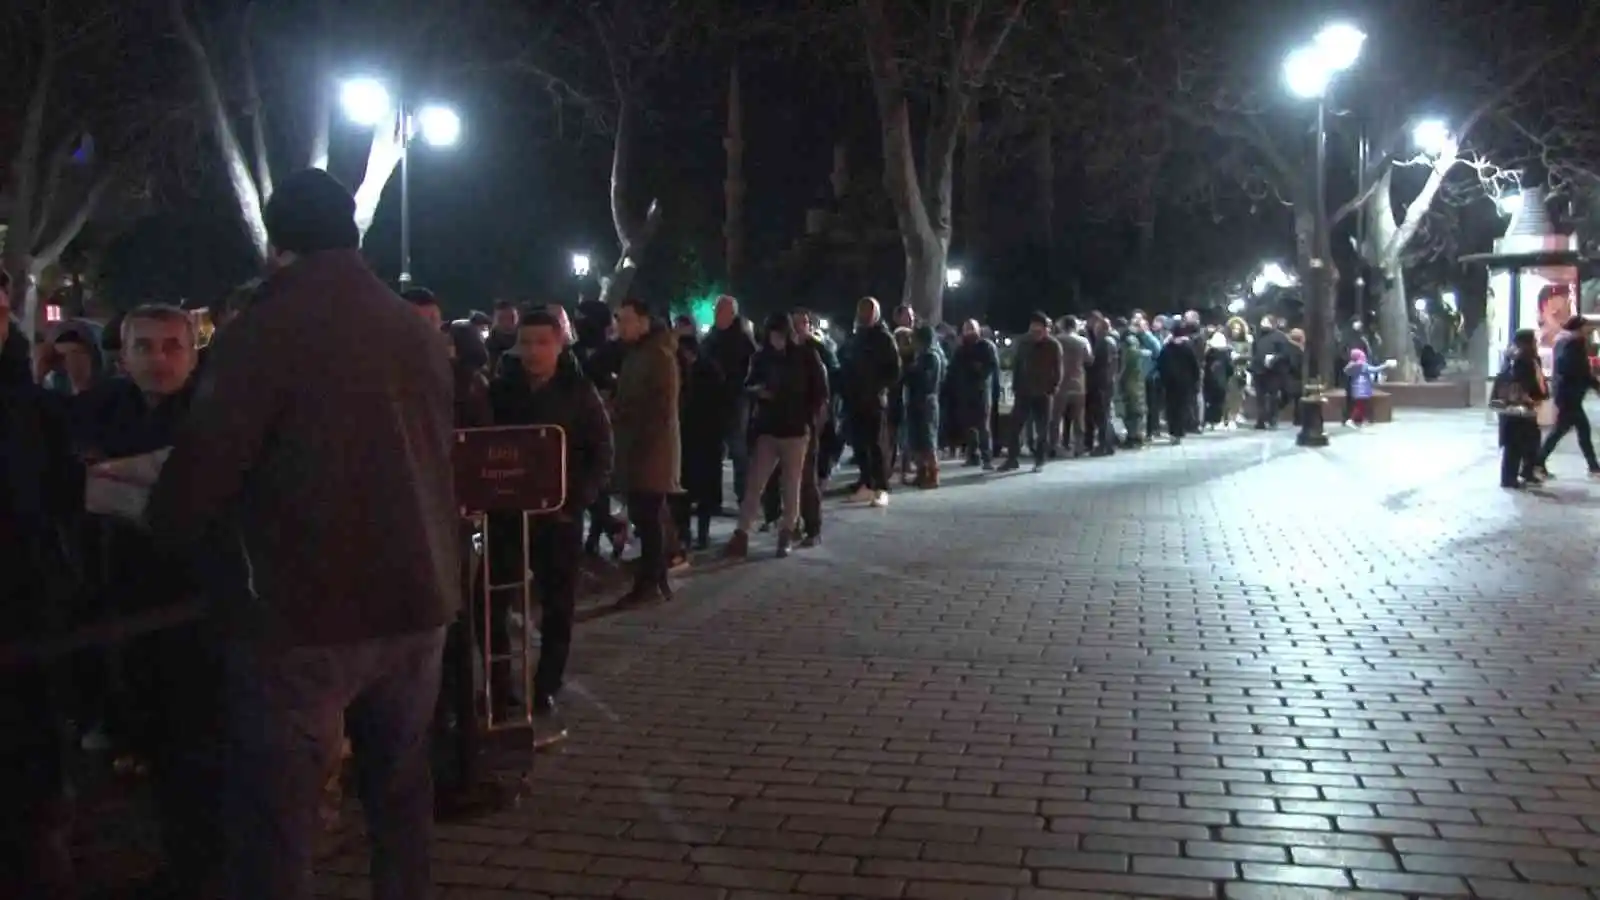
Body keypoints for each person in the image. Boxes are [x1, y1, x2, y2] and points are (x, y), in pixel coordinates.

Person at [144, 168, 460, 900]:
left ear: (277, 245)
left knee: (278, 820)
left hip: (303, 610)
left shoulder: (261, 333)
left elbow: (201, 475)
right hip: (417, 598)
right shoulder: (412, 333)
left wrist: (163, 521)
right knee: (400, 797)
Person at [487, 309, 613, 743]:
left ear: (560, 343)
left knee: (558, 606)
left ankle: (547, 687)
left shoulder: (579, 392)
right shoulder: (501, 391)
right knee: (492, 602)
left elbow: (600, 452)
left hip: (558, 518)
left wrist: (575, 501)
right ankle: (500, 686)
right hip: (507, 516)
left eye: (544, 341)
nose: (534, 351)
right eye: (527, 342)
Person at [724, 313, 828, 558]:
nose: (776, 340)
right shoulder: (762, 358)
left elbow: (820, 392)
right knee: (755, 485)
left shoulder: (805, 357)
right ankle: (742, 533)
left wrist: (808, 419)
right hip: (769, 429)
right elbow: (748, 384)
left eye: (780, 335)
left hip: (795, 430)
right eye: (772, 335)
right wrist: (758, 392)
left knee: (791, 486)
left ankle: (786, 533)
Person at [611, 298, 681, 606]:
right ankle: (656, 578)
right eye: (619, 320)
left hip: (650, 451)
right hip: (637, 448)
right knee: (647, 516)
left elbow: (659, 409)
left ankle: (650, 581)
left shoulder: (658, 356)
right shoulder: (637, 354)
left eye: (627, 320)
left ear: (644, 321)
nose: (621, 327)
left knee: (648, 517)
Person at [840, 297, 900, 507]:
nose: (864, 314)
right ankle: (866, 483)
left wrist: (879, 388)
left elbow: (894, 370)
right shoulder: (857, 338)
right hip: (856, 399)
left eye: (868, 311)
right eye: (861, 310)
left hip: (873, 399)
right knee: (860, 444)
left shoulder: (884, 338)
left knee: (876, 445)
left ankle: (881, 487)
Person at [702, 295, 757, 506]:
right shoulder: (712, 337)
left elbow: (751, 368)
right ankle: (712, 497)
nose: (717, 315)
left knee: (738, 449)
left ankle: (744, 495)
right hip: (715, 400)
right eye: (716, 310)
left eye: (720, 311)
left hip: (736, 399)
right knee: (714, 449)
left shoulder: (742, 339)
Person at [1535, 315, 1600, 478]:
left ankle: (1593, 466)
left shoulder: (1562, 342)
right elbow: (1579, 370)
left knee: (1573, 429)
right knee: (1566, 430)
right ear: (1578, 328)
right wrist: (1595, 385)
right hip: (1570, 395)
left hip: (1566, 394)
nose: (1589, 330)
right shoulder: (1573, 344)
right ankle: (1538, 462)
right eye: (1586, 327)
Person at [1003, 311, 1061, 473]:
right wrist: (1015, 386)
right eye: (1033, 329)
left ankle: (1040, 460)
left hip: (1043, 393)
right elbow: (1018, 366)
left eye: (1039, 330)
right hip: (1024, 391)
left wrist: (1052, 388)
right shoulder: (1024, 343)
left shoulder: (1053, 345)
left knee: (1042, 429)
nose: (1035, 333)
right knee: (1015, 426)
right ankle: (1012, 459)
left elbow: (1057, 370)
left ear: (1046, 329)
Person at [1496, 328, 1547, 489]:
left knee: (1529, 439)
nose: (1537, 342)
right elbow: (1522, 382)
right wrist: (1531, 397)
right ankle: (1509, 479)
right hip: (1519, 406)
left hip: (1517, 406)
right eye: (1534, 339)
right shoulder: (1521, 357)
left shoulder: (1518, 355)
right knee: (1516, 442)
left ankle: (1527, 471)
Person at [950, 319, 1000, 468]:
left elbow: (992, 366)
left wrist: (979, 370)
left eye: (972, 328)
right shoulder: (961, 349)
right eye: (966, 328)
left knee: (983, 426)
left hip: (981, 391)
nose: (969, 331)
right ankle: (972, 456)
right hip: (965, 392)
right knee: (969, 426)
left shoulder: (986, 346)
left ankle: (987, 458)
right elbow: (954, 369)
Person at [903, 324, 944, 487]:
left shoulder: (932, 357)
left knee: (928, 440)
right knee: (917, 440)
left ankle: (933, 475)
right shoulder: (921, 356)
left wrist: (910, 371)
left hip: (926, 402)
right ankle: (921, 473)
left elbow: (925, 380)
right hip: (916, 402)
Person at [1053, 315, 1091, 458]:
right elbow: (1089, 359)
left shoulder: (1056, 340)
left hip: (1060, 384)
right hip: (1078, 383)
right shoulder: (1082, 341)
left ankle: (1054, 446)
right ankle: (1079, 447)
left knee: (1056, 418)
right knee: (1078, 418)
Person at [1158, 324, 1201, 444]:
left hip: (1170, 383)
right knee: (1182, 407)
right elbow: (1194, 366)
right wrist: (1195, 380)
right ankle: (1180, 431)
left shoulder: (1167, 349)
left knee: (1171, 408)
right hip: (1185, 383)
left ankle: (1173, 432)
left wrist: (1163, 379)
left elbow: (1160, 365)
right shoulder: (1187, 348)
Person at [1251, 316, 1291, 429]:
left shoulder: (1280, 337)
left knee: (1273, 397)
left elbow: (1285, 353)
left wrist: (1274, 358)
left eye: (1266, 321)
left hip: (1274, 372)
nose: (1263, 324)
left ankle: (1272, 418)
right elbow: (1255, 351)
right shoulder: (1258, 336)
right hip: (1259, 371)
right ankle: (1261, 420)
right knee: (1260, 397)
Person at [1342, 348, 1393, 428]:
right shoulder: (1362, 365)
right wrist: (1385, 365)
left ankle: (1361, 421)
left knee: (1361, 405)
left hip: (1355, 388)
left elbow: (1346, 372)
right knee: (1360, 406)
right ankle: (1351, 420)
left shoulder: (1351, 366)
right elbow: (1374, 369)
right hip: (1362, 388)